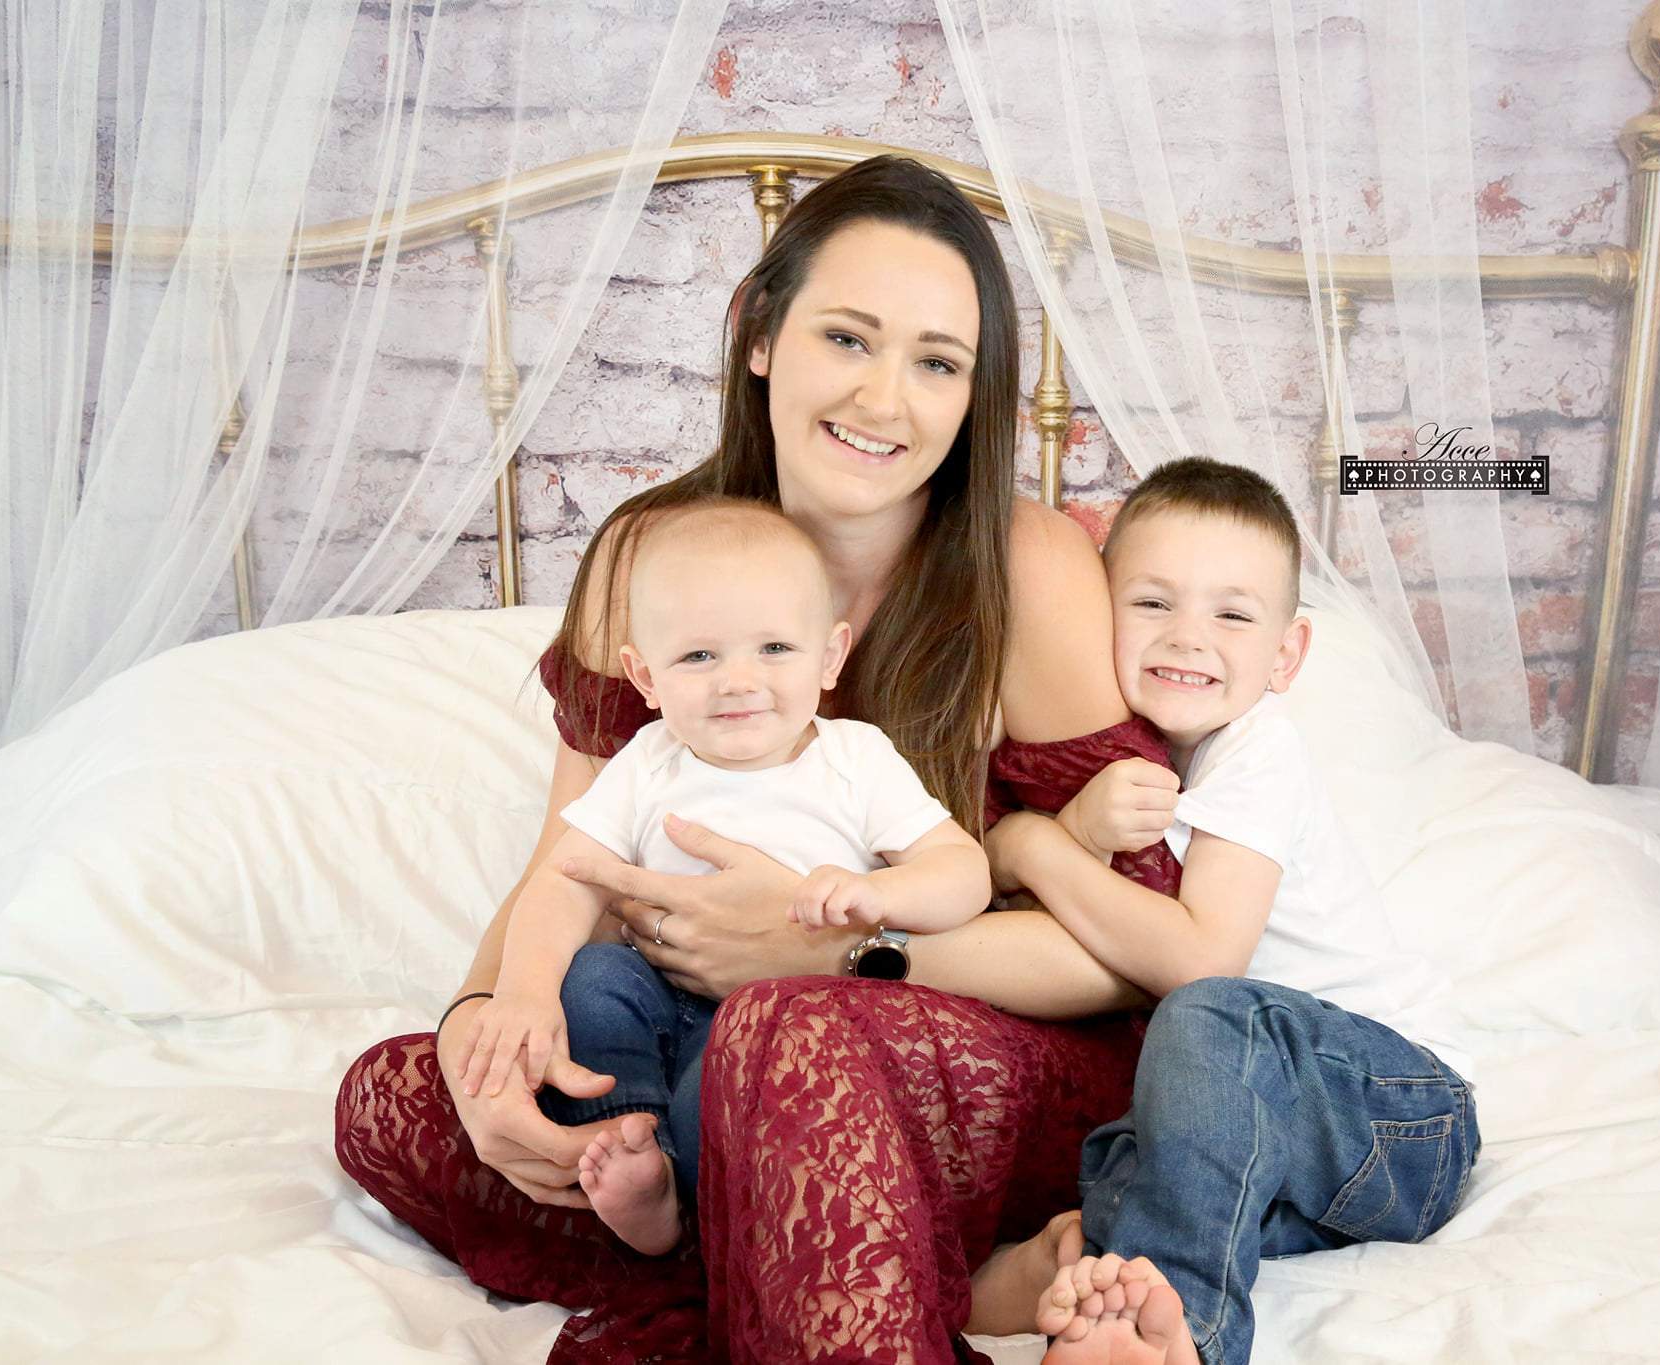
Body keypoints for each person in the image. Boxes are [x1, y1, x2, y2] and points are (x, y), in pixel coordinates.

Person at [333, 154, 1183, 1364]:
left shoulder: (1021, 567)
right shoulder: (650, 556)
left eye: (937, 363)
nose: (885, 401)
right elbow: (569, 867)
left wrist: (836, 954)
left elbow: (1133, 961)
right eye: (847, 338)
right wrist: (490, 1028)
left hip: (977, 1052)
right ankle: (856, 1268)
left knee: (783, 1035)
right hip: (689, 1064)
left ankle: (817, 1258)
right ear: (758, 334)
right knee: (395, 1098)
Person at [970, 459, 1479, 1365]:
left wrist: (1034, 845)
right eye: (1151, 602)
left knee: (1207, 1018)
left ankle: (1184, 1341)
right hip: (1297, 1153)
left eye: (1232, 615)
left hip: (1402, 1114)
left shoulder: (1257, 751)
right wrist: (1070, 828)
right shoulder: (1115, 758)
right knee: (1130, 1167)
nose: (1188, 637)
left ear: (1286, 654)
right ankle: (1106, 1307)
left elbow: (1200, 960)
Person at [452, 497, 991, 1257]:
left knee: (751, 1069)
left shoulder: (856, 759)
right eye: (699, 657)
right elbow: (567, 877)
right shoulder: (648, 761)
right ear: (645, 676)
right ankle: (633, 1155)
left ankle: (701, 1211)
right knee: (594, 977)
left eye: (774, 648)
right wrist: (524, 991)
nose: (738, 681)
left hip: (788, 1015)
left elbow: (964, 872)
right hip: (663, 992)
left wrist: (881, 895)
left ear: (830, 656)